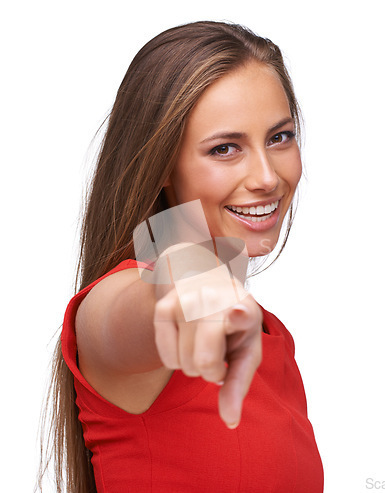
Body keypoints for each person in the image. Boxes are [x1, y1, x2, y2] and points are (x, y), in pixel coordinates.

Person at [38, 20, 323, 493]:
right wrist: (183, 265)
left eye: (279, 137)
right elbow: (148, 310)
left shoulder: (274, 340)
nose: (267, 176)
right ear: (162, 165)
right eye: (225, 148)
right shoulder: (119, 302)